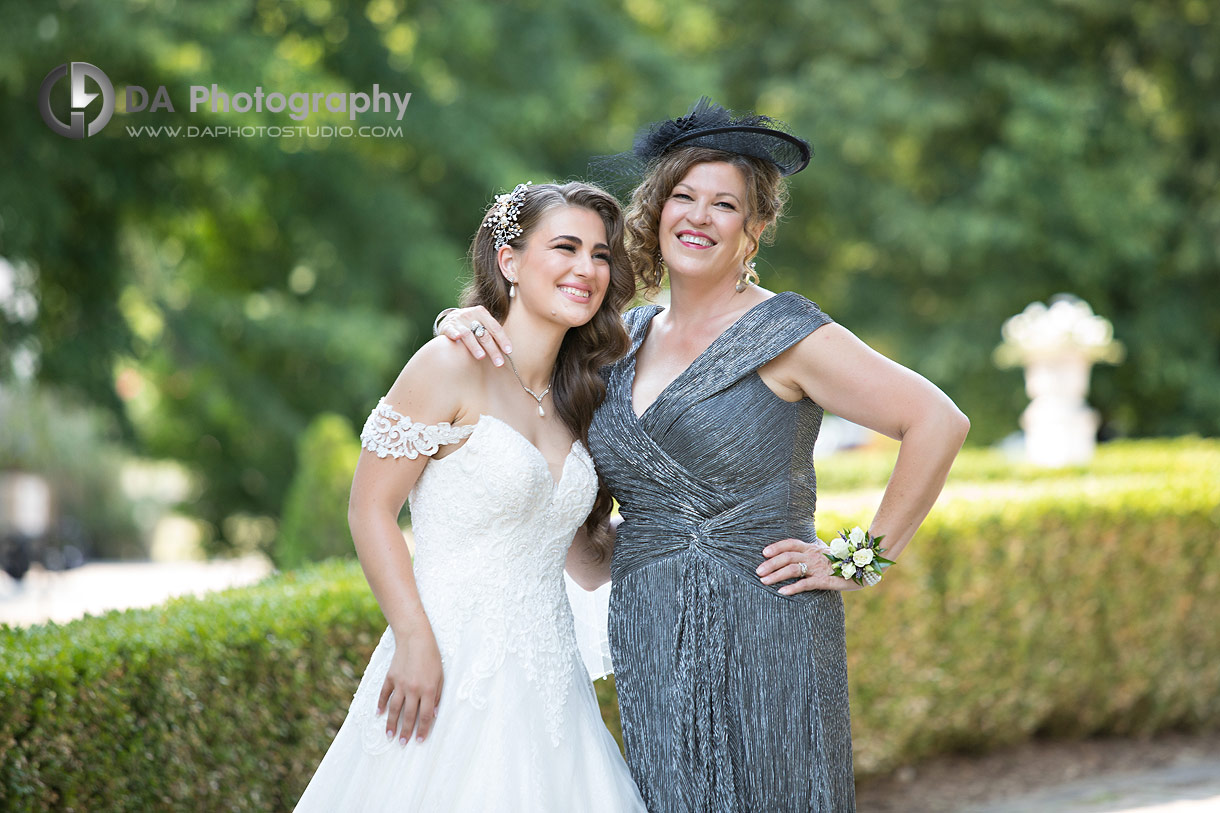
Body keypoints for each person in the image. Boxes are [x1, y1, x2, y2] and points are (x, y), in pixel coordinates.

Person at [437, 99, 970, 812]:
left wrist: (858, 560)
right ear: (655, 211)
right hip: (648, 624)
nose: (699, 217)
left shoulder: (786, 333)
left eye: (725, 205)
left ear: (754, 230)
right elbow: (527, 394)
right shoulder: (617, 341)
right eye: (683, 197)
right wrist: (465, 322)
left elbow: (937, 420)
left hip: (768, 621)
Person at [293, 181, 646, 812]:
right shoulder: (448, 364)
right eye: (565, 247)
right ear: (509, 261)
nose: (587, 268)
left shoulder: (583, 396)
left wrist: (702, 530)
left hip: (552, 687)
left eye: (600, 254)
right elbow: (370, 508)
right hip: (445, 663)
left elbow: (587, 563)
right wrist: (412, 638)